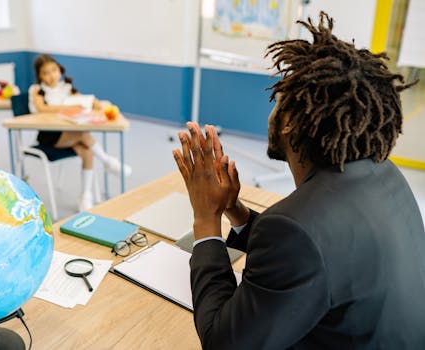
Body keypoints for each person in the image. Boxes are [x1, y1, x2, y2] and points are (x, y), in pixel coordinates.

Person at [173, 12, 425, 349]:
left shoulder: (294, 228)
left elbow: (223, 342)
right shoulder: (385, 174)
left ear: (290, 123)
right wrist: (233, 210)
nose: (272, 111)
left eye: (278, 102)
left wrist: (205, 219)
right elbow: (321, 254)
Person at [29, 54, 132, 211]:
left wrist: (95, 104)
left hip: (69, 132)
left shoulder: (66, 87)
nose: (51, 75)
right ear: (39, 75)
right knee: (82, 134)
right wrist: (67, 107)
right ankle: (107, 162)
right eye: (46, 72)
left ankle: (85, 196)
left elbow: (82, 99)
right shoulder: (36, 90)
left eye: (54, 70)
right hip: (49, 136)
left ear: (59, 70)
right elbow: (42, 108)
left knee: (87, 151)